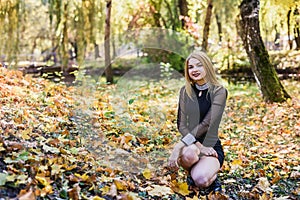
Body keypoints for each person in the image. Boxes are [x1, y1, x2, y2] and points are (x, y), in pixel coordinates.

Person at [168, 51, 227, 193]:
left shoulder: (219, 91)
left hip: (211, 147)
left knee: (201, 181)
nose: (194, 70)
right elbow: (181, 124)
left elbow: (207, 124)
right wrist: (198, 146)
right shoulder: (185, 91)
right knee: (188, 155)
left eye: (199, 65)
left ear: (207, 66)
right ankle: (192, 171)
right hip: (191, 145)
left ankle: (208, 174)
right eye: (191, 67)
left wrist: (178, 147)